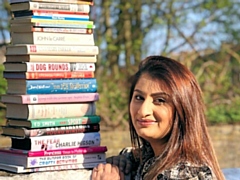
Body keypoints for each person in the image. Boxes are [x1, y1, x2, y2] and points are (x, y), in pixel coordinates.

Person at [91, 56, 225, 180]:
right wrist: (119, 161)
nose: (143, 111)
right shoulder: (148, 158)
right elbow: (135, 154)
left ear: (183, 109)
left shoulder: (186, 174)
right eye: (139, 97)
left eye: (160, 100)